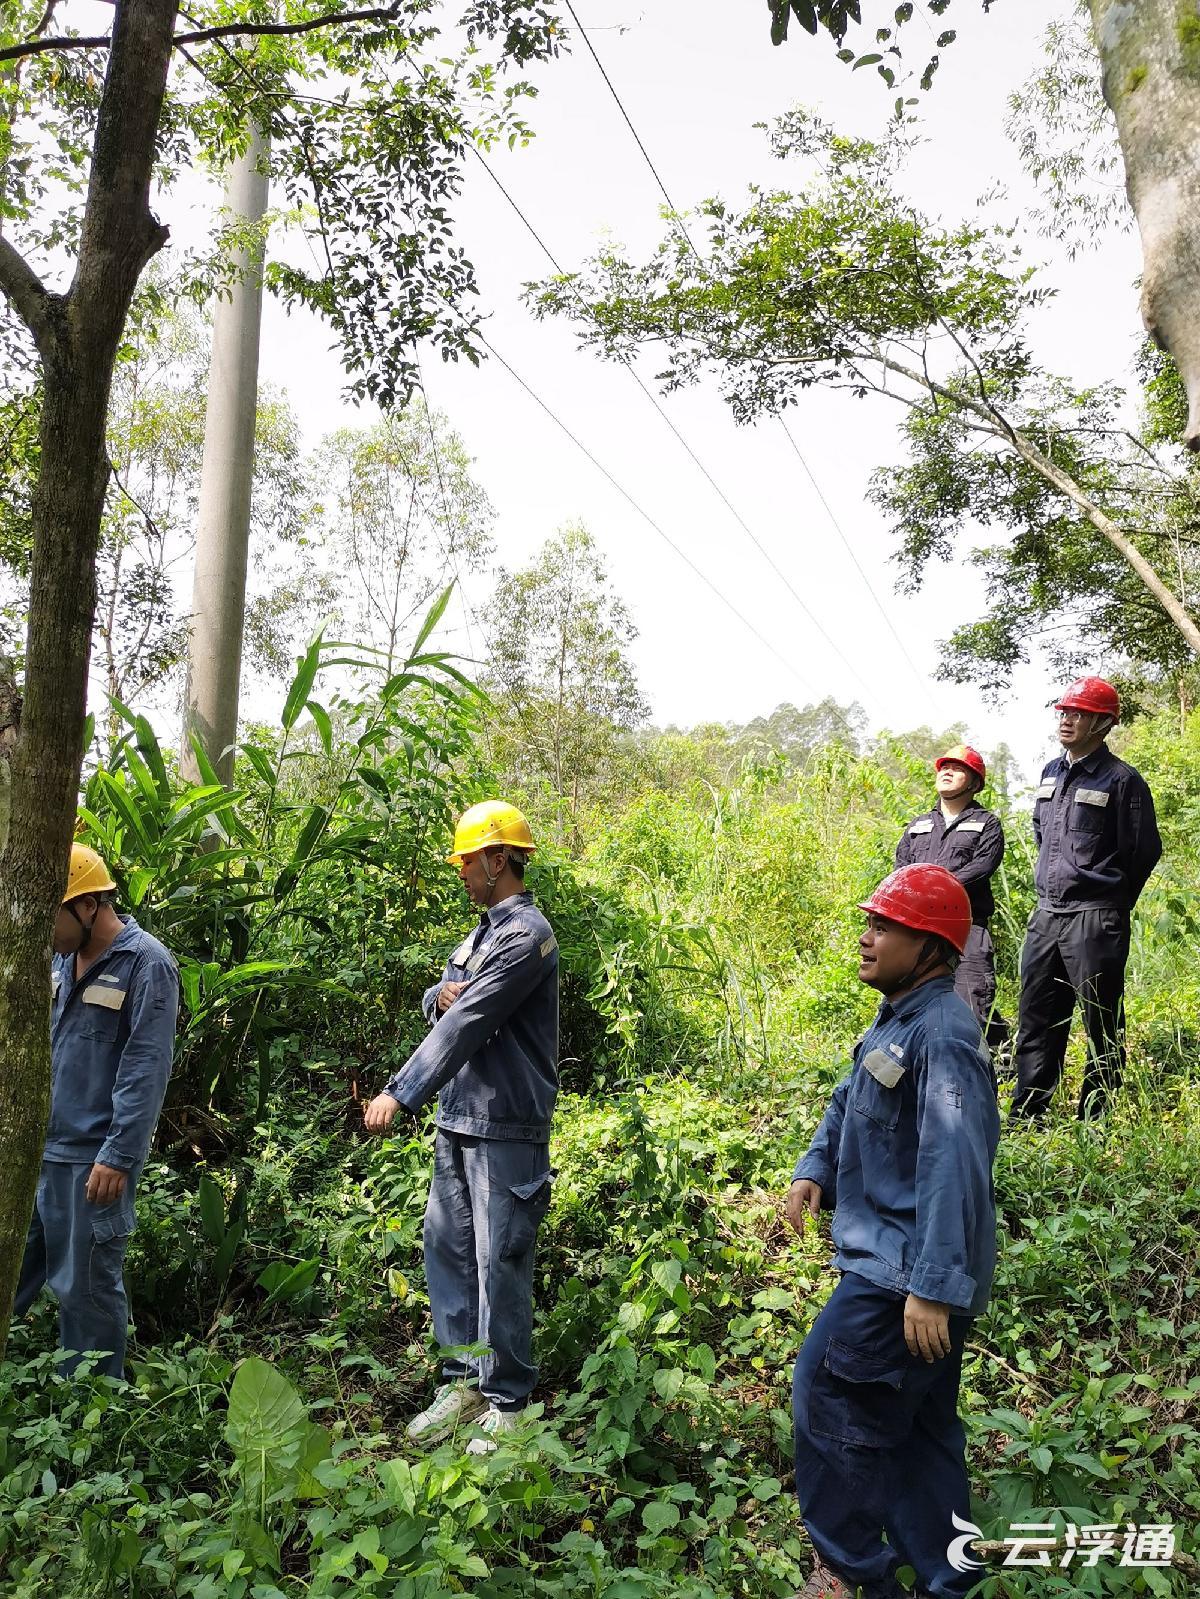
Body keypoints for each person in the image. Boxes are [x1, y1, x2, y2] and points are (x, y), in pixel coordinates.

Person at [786, 864, 1000, 1599]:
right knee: (919, 1433)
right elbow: (853, 1095)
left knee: (824, 1403)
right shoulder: (899, 1017)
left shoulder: (944, 1035)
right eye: (869, 921)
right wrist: (815, 1167)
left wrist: (932, 1288)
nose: (866, 936)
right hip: (898, 1268)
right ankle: (949, 1580)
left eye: (885, 926)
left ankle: (859, 1577)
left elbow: (952, 1164)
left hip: (901, 1277)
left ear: (932, 946)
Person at [363, 800, 559, 1455]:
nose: (462, 873)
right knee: (447, 1250)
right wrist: (436, 995)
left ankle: (509, 1400)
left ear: (499, 859)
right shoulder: (478, 935)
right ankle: (463, 1382)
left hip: (506, 1123)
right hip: (460, 1119)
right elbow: (443, 997)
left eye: (469, 861)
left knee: (498, 1261)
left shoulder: (525, 936)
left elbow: (469, 1017)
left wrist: (401, 1090)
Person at [16, 843, 179, 1377]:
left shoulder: (146, 964)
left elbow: (145, 1068)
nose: (47, 931)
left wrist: (119, 1155)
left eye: (52, 916)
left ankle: (94, 1405)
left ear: (87, 905)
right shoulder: (62, 958)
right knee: (16, 1272)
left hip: (93, 1161)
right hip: (37, 1147)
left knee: (85, 1289)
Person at [1011, 676, 1161, 1120]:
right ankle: (1029, 1111)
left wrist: (1110, 901)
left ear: (1104, 723)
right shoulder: (1050, 773)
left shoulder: (1122, 780)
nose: (1067, 719)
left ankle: (1097, 1116)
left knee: (1100, 1019)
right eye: (1064, 712)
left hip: (1095, 916)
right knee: (1035, 1014)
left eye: (1078, 713)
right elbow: (1043, 834)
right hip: (1046, 915)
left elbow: (1143, 850)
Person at [894, 744, 1007, 1044]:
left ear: (973, 783)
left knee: (973, 1004)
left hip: (968, 928)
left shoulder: (987, 824)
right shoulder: (918, 825)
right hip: (920, 929)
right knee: (908, 1001)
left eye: (957, 769)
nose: (947, 771)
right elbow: (901, 871)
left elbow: (981, 867)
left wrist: (934, 888)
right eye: (944, 767)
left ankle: (994, 1060)